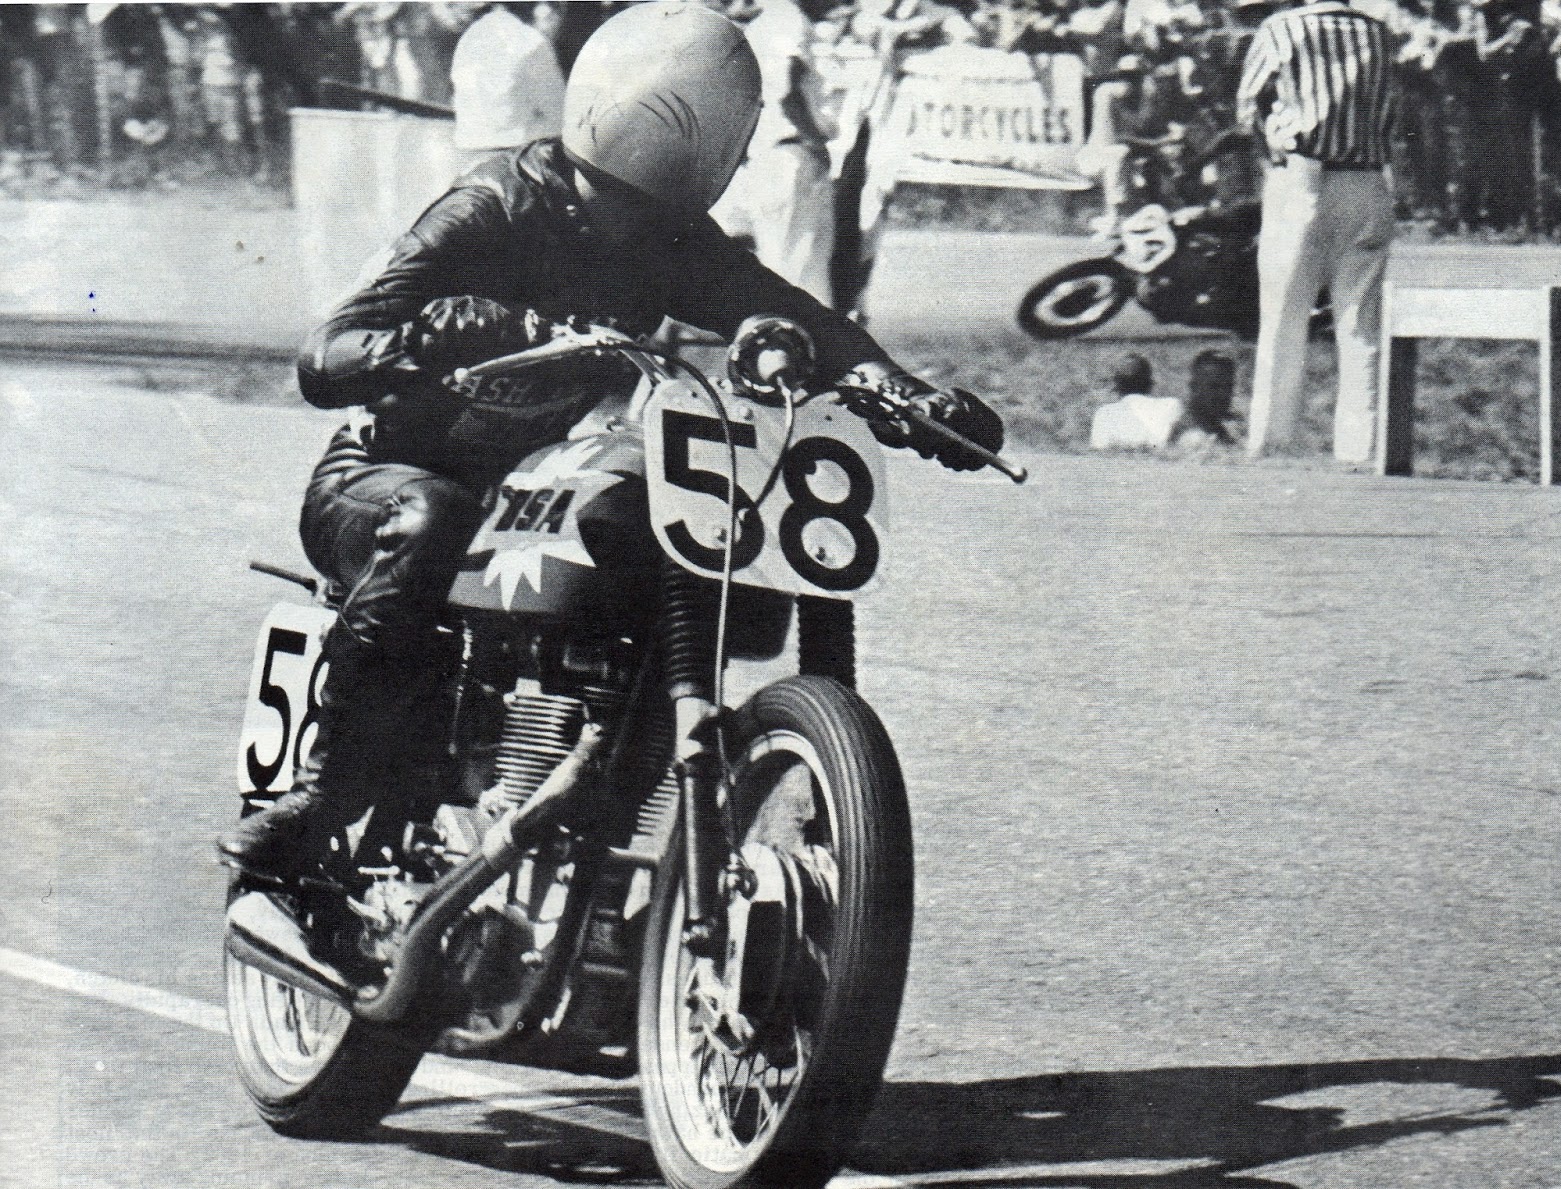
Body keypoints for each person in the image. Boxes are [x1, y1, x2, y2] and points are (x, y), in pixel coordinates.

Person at [217, 2, 1004, 879]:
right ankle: (325, 795)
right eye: (609, 202)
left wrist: (905, 394)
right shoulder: (489, 207)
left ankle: (611, 786)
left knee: (654, 535)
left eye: (639, 210)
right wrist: (419, 342)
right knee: (430, 514)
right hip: (387, 472)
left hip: (529, 480)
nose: (620, 225)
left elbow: (799, 320)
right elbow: (325, 355)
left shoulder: (669, 237)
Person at [1235, 0, 1398, 464]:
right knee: (1360, 324)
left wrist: (1269, 155)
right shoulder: (1379, 34)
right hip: (1368, 179)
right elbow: (1390, 117)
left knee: (1283, 319)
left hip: (1303, 174)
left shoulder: (1282, 27)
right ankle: (1360, 447)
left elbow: (1247, 108)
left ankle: (1270, 442)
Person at [711, 0, 837, 305]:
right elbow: (785, 90)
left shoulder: (761, 24)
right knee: (797, 268)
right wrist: (816, 140)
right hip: (789, 155)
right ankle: (796, 345)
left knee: (783, 262)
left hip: (766, 156)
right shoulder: (788, 19)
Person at [450, 2, 566, 167]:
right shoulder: (529, 40)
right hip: (515, 159)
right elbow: (559, 115)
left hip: (467, 156)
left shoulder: (469, 38)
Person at [1089, 353, 1184, 449]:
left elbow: (1099, 450)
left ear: (1117, 387)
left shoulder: (1103, 413)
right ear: (1150, 383)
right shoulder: (1172, 405)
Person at [1171, 348, 1239, 448]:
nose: (1223, 394)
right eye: (1214, 387)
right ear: (1194, 388)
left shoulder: (1212, 426)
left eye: (1228, 387)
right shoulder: (1193, 438)